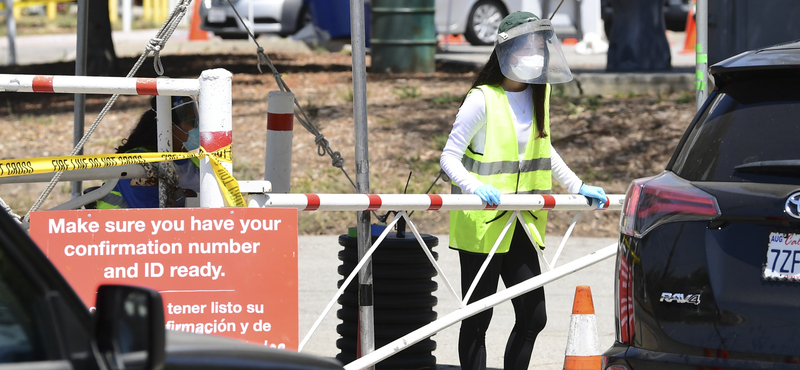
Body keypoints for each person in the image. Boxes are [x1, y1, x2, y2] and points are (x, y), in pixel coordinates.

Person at [439, 11, 608, 370]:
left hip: (521, 220)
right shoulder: (481, 99)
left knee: (534, 317)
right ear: (508, 51)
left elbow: (544, 149)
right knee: (478, 319)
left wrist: (577, 185)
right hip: (482, 223)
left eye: (540, 47)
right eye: (529, 46)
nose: (536, 54)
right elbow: (449, 158)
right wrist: (475, 187)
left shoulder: (538, 95)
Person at [95, 96, 200, 209]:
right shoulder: (137, 164)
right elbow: (151, 217)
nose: (197, 129)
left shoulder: (194, 161)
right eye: (192, 123)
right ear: (169, 128)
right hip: (123, 225)